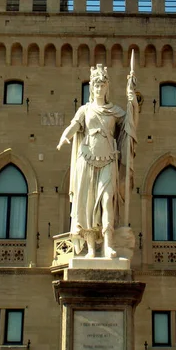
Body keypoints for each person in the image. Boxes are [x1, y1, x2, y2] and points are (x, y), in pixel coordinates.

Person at [57, 64, 138, 259]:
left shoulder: (114, 111)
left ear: (107, 87)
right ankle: (92, 249)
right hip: (87, 159)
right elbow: (74, 126)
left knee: (107, 200)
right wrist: (63, 138)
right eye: (96, 85)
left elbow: (130, 123)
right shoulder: (85, 110)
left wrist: (132, 100)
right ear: (91, 88)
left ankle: (108, 244)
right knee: (88, 204)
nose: (99, 88)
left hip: (109, 159)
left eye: (102, 85)